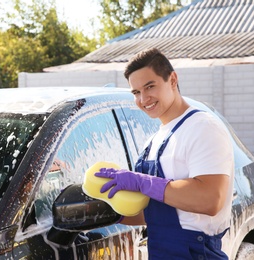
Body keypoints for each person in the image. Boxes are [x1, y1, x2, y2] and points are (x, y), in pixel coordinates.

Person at [95, 48, 234, 259]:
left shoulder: (202, 127)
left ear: (173, 79)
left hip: (195, 253)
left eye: (150, 86)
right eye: (136, 92)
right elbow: (158, 213)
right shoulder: (154, 140)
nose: (143, 98)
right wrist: (103, 213)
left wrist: (142, 182)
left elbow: (210, 199)